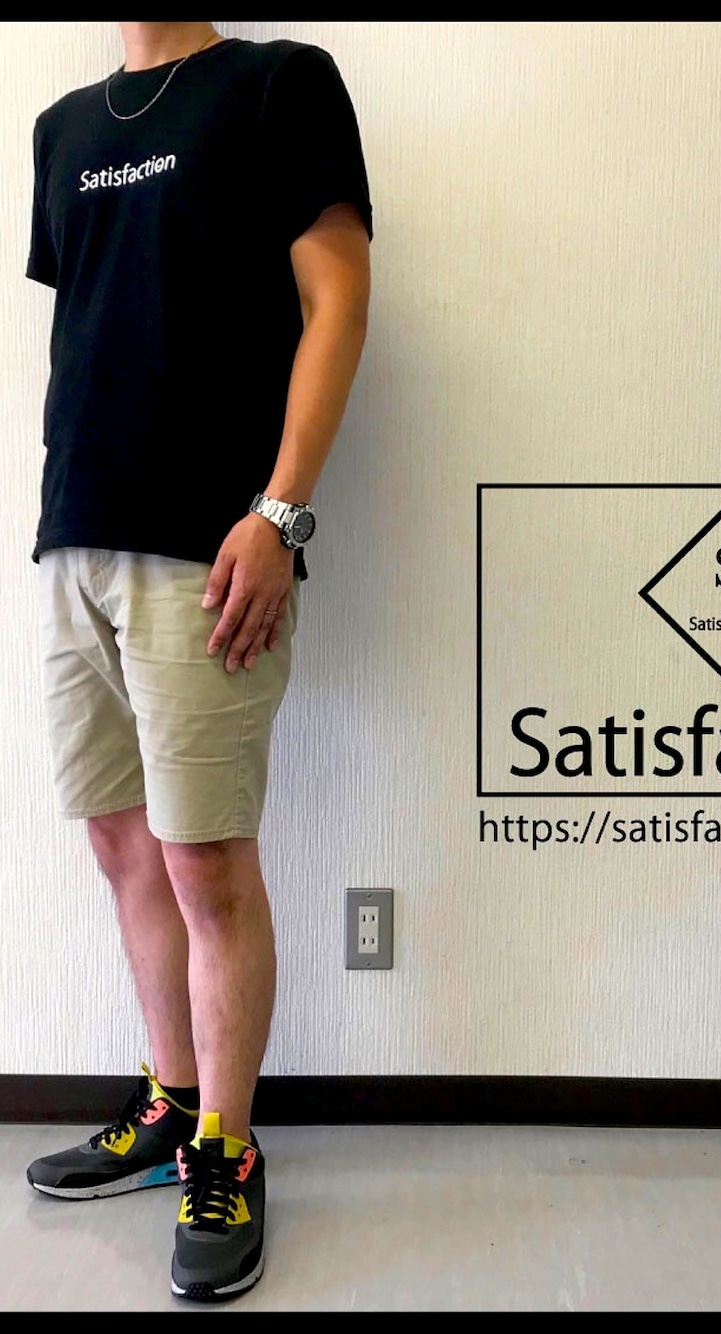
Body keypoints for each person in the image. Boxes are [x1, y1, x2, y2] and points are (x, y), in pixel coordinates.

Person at [23, 20, 372, 1303]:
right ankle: (171, 1101)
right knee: (123, 846)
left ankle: (227, 1145)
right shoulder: (62, 130)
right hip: (75, 540)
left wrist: (281, 513)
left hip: (209, 546)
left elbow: (338, 300)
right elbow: (96, 330)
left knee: (205, 860)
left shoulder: (278, 84)